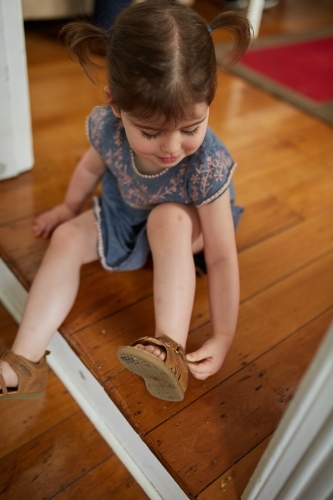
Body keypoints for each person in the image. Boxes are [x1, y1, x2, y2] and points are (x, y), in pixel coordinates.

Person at [0, 0, 252, 403]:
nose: (172, 148)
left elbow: (222, 256)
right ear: (115, 104)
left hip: (190, 226)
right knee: (66, 238)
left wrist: (223, 336)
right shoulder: (107, 125)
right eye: (151, 133)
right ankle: (24, 365)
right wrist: (69, 207)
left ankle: (168, 347)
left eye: (190, 127)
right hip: (126, 210)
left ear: (210, 101)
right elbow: (88, 170)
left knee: (166, 221)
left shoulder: (206, 164)